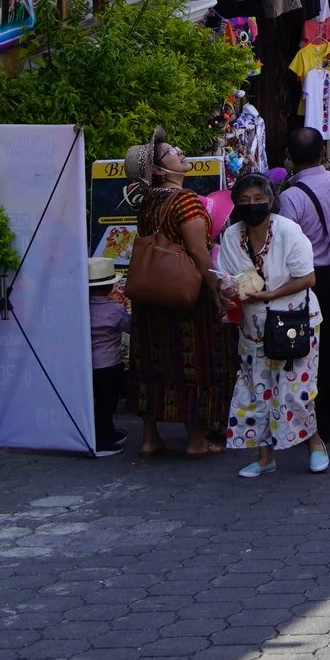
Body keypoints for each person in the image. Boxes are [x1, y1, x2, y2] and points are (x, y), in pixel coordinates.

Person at [126, 131, 233, 457]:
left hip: (150, 294)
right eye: (172, 151)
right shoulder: (184, 200)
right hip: (184, 295)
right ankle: (197, 440)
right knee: (192, 360)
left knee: (152, 360)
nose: (180, 151)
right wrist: (216, 288)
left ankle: (150, 437)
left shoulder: (148, 202)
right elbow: (199, 254)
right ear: (159, 170)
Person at [214, 170, 322, 478]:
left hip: (294, 321)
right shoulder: (232, 236)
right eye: (245, 200)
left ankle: (316, 444)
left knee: (295, 392)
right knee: (254, 392)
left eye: (259, 199)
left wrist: (269, 294)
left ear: (271, 200)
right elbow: (226, 279)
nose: (253, 205)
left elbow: (308, 278)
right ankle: (265, 457)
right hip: (253, 327)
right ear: (235, 203)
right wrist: (224, 297)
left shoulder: (288, 230)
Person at [274, 126, 330, 450]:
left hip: (310, 277)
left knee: (310, 351)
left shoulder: (290, 196)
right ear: (323, 153)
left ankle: (314, 420)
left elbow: (288, 243)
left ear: (290, 158)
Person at [87, 258, 130, 456]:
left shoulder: (80, 309)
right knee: (107, 403)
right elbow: (130, 328)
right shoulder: (115, 310)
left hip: (86, 365)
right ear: (110, 286)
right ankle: (103, 440)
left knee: (93, 402)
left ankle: (103, 432)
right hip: (110, 365)